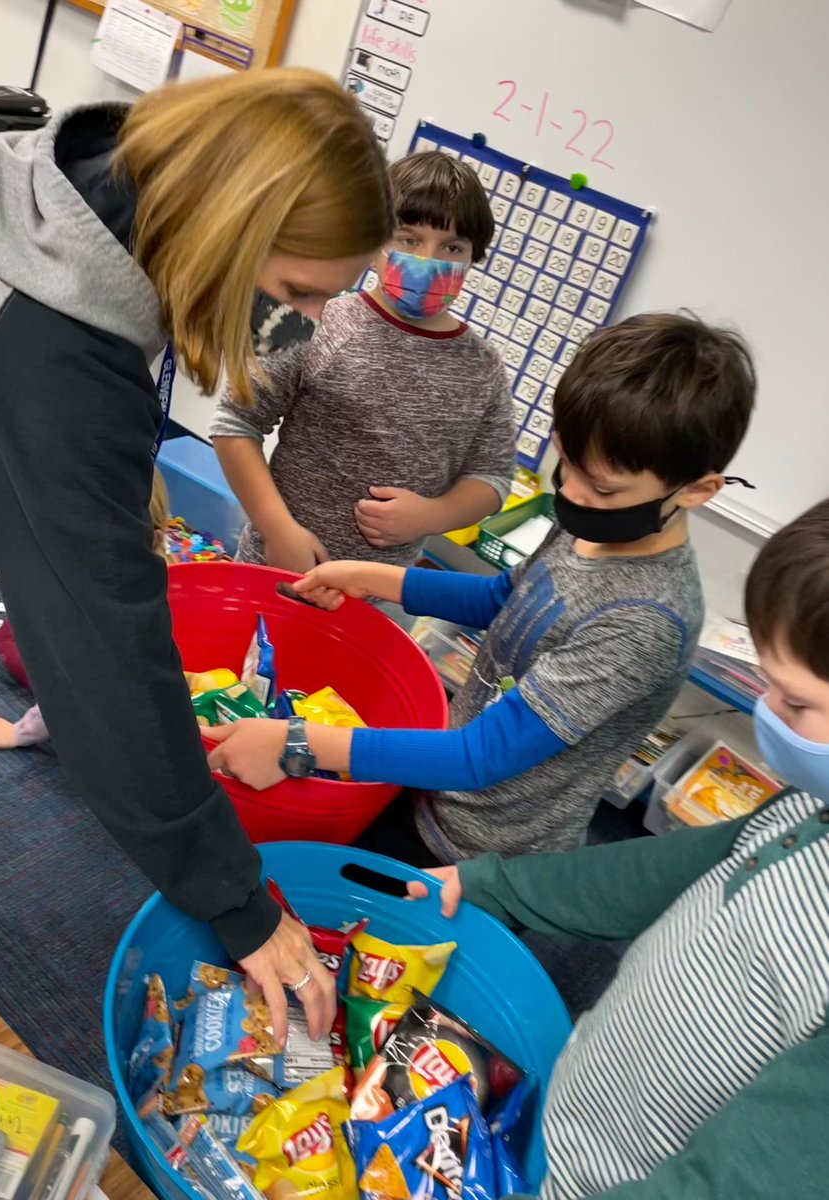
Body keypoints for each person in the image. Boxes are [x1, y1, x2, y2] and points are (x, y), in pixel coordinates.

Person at [0, 69, 394, 1041]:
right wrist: (235, 900)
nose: (308, 325)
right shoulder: (55, 339)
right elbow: (101, 655)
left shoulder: (127, 195)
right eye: (296, 294)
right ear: (228, 230)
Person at [207, 313, 757, 863]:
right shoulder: (587, 523)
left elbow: (483, 756)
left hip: (482, 851)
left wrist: (296, 745)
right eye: (566, 464)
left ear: (697, 490)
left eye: (603, 488)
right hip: (433, 785)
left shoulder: (645, 621)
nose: (573, 492)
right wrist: (372, 577)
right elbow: (504, 597)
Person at [402, 496, 829, 1199]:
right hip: (575, 1111)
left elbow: (738, 1182)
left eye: (796, 703)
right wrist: (497, 885)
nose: (765, 714)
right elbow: (666, 871)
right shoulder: (809, 807)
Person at [211, 150, 515, 577]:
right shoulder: (316, 319)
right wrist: (277, 530)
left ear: (472, 257)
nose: (429, 260)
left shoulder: (483, 368)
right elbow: (234, 424)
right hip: (279, 574)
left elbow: (494, 475)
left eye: (452, 247)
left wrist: (434, 515)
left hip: (383, 598)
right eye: (408, 239)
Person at [0, 469, 173, 751]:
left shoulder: (96, 611)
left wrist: (19, 734)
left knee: (15, 641)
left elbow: (68, 690)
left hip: (115, 716)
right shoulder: (161, 573)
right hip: (143, 692)